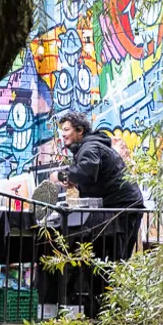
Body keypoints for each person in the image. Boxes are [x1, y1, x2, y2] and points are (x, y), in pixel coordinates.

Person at [50, 111, 144, 260]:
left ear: (80, 130)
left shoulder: (90, 147)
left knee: (115, 259)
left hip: (122, 208)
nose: (63, 134)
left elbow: (86, 170)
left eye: (67, 130)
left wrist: (61, 175)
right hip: (121, 206)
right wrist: (75, 180)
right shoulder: (89, 147)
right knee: (114, 259)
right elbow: (91, 174)